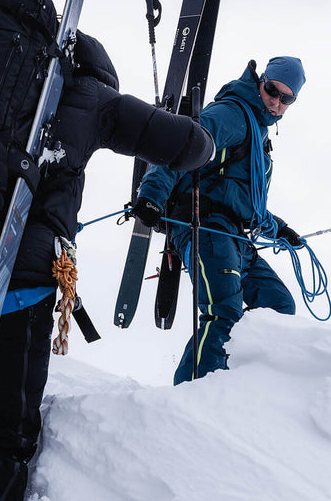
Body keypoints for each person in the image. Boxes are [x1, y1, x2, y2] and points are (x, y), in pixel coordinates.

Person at [0, 32, 213, 501]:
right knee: (10, 433)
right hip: (14, 272)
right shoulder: (93, 97)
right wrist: (197, 128)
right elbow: (192, 148)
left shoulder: (2, 90)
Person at [130, 56, 308, 384]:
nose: (277, 101)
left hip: (235, 235)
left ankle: (243, 390)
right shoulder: (233, 113)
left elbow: (243, 199)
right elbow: (184, 144)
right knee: (223, 310)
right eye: (272, 90)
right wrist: (151, 195)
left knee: (278, 305)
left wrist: (277, 228)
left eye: (287, 98)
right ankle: (191, 400)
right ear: (261, 82)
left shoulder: (259, 132)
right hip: (204, 223)